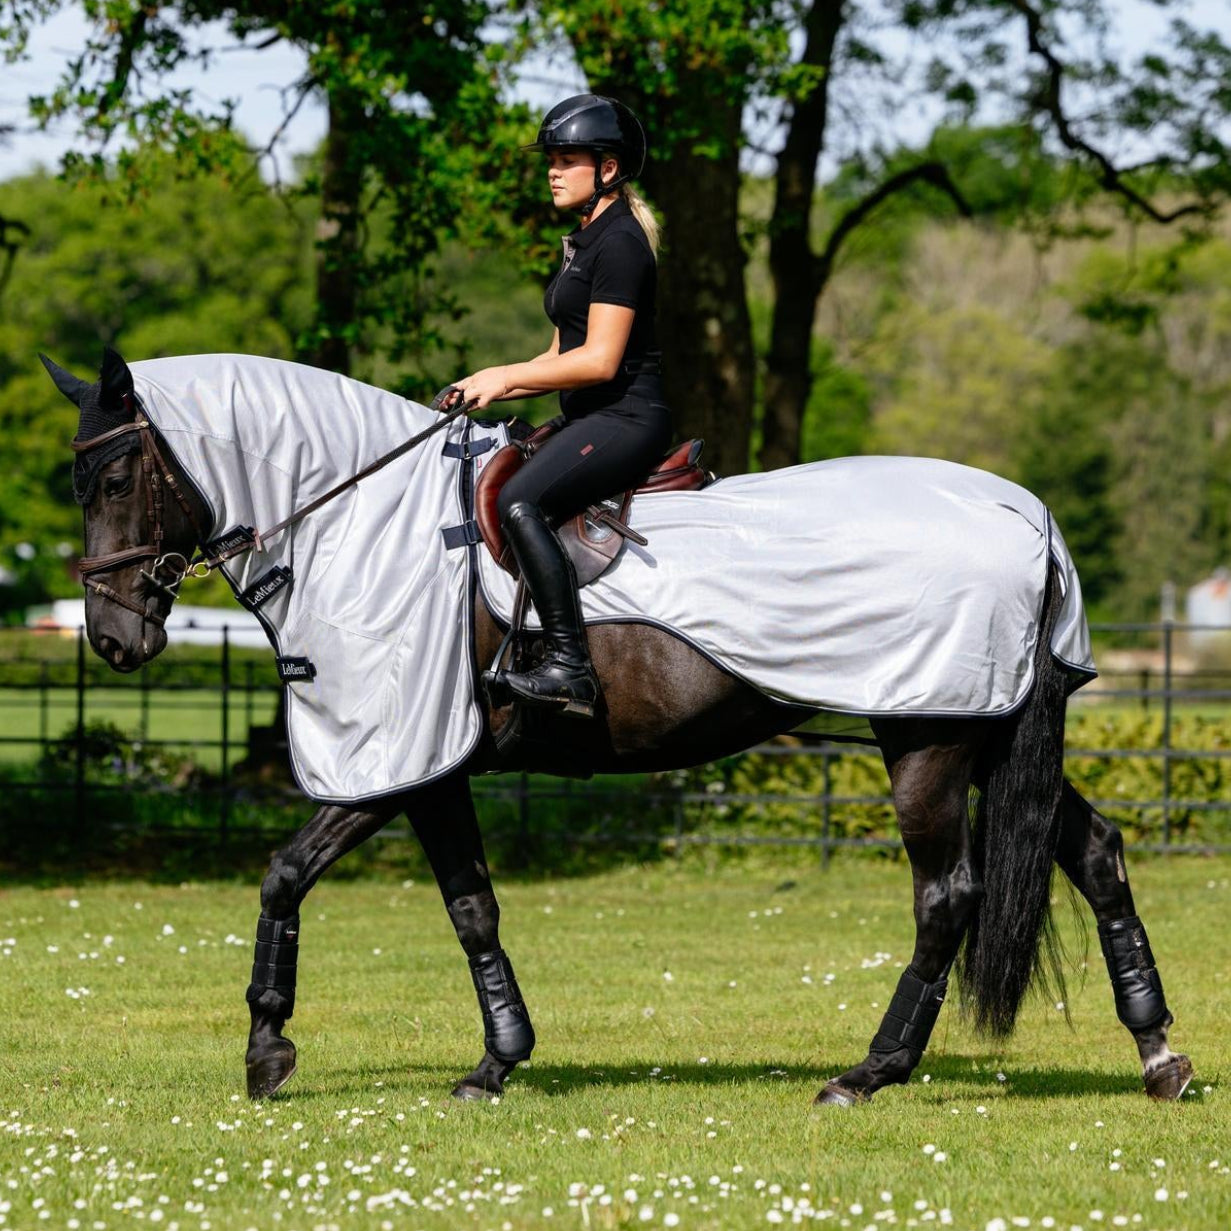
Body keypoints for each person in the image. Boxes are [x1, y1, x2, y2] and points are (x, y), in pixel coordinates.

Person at [448, 94, 672, 717]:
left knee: (520, 501)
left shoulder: (621, 243)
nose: (552, 170)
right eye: (551, 159)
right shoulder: (582, 240)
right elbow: (558, 354)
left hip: (626, 418)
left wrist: (505, 375)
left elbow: (599, 361)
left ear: (608, 169)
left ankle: (570, 668)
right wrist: (484, 384)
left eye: (566, 159)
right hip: (588, 417)